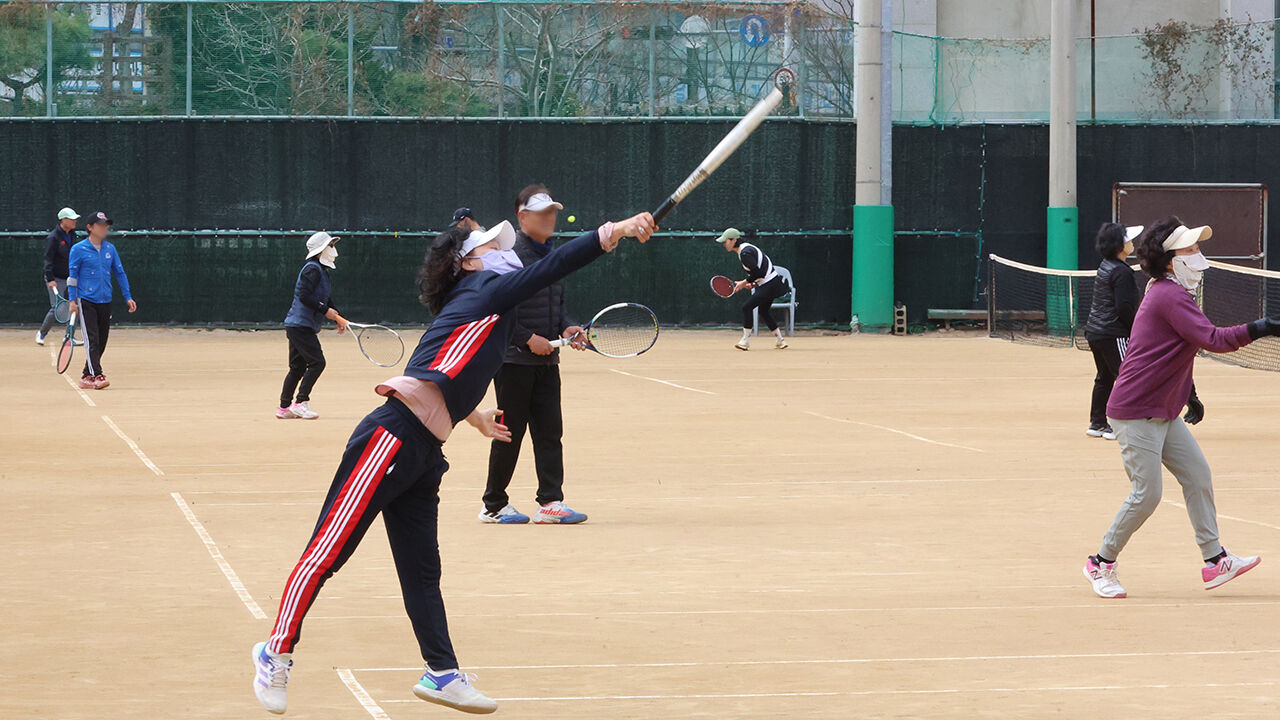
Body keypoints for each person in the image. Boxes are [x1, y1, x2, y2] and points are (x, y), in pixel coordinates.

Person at [250, 211, 656, 716]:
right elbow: (548, 271)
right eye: (490, 247)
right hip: (390, 438)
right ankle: (275, 651)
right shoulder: (484, 290)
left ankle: (441, 674)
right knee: (327, 553)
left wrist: (473, 415)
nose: (503, 251)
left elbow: (454, 363)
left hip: (423, 453)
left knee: (423, 572)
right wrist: (613, 231)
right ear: (468, 264)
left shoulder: (490, 309)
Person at [1083, 217, 1271, 599]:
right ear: (1170, 261)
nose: (1198, 256)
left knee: (1198, 476)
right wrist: (1263, 326)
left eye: (1198, 248)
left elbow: (1177, 350)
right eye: (1190, 250)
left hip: (1164, 410)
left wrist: (1190, 393)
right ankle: (1100, 563)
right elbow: (1213, 339)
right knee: (1146, 494)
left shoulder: (1172, 293)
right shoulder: (1168, 295)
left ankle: (1215, 559)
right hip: (1135, 411)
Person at [480, 185, 589, 525]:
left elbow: (556, 306)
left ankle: (551, 502)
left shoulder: (551, 256)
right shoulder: (507, 256)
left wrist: (567, 328)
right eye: (542, 212)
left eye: (553, 211)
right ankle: (494, 505)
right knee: (508, 434)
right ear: (522, 216)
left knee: (549, 431)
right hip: (512, 361)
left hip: (546, 362)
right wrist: (527, 339)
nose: (550, 217)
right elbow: (493, 309)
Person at [277, 232, 348, 420]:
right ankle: (300, 403)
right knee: (317, 363)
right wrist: (325, 311)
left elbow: (324, 298)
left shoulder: (321, 271)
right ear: (320, 250)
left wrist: (337, 316)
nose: (334, 250)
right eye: (330, 246)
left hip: (298, 326)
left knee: (297, 367)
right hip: (300, 326)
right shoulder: (312, 269)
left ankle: (284, 408)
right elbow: (304, 295)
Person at [1082, 223, 1142, 440]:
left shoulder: (1106, 265)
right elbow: (1123, 308)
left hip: (1096, 333)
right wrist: (1137, 330)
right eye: (1129, 240)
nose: (1133, 243)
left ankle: (1098, 423)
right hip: (1113, 334)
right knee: (1128, 377)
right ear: (1120, 245)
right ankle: (1121, 425)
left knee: (1105, 377)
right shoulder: (1121, 271)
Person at [66, 211, 136, 390]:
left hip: (105, 300)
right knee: (92, 338)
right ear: (90, 228)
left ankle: (85, 375)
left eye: (106, 225)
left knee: (102, 339)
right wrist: (72, 301)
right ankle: (97, 374)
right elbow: (72, 278)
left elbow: (120, 273)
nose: (105, 228)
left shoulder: (110, 249)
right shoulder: (78, 249)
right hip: (85, 299)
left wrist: (127, 296)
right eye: (100, 225)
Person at [717, 228, 790, 351]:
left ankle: (745, 341)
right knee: (764, 311)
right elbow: (761, 271)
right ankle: (780, 340)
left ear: (734, 240)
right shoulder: (747, 249)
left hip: (769, 284)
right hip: (771, 282)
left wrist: (744, 282)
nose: (724, 244)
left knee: (747, 307)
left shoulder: (745, 253)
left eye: (726, 241)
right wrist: (753, 284)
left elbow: (759, 271)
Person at [36, 207, 80, 346]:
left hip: (71, 278)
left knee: (75, 306)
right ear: (63, 220)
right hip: (56, 278)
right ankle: (42, 333)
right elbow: (48, 260)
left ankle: (69, 337)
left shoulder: (74, 235)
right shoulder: (53, 237)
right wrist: (50, 279)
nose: (75, 221)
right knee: (57, 308)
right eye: (72, 219)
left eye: (75, 219)